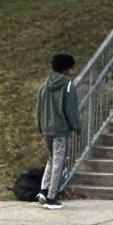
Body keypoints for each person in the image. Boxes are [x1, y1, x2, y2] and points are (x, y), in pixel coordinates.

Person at [35, 50, 82, 207]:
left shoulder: (45, 85)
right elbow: (71, 108)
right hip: (59, 129)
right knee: (58, 162)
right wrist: (76, 126)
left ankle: (43, 190)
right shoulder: (68, 85)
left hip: (46, 128)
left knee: (51, 159)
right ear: (67, 68)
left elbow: (39, 108)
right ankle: (51, 196)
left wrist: (40, 126)